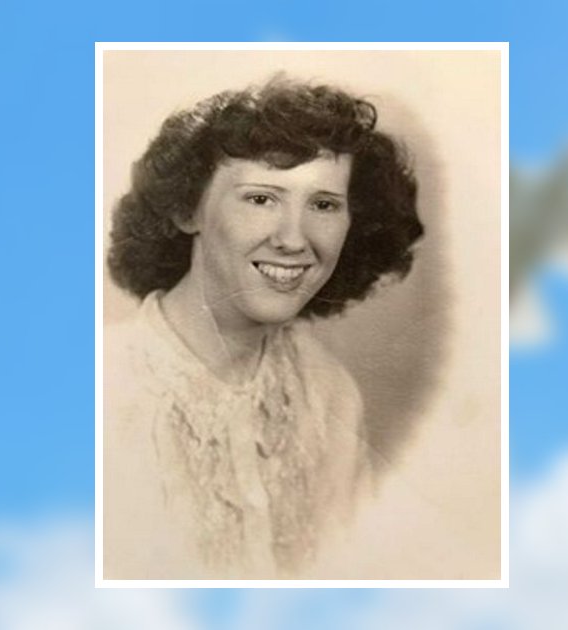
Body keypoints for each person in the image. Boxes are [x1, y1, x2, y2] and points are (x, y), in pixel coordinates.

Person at [102, 77, 424, 578]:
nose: (294, 240)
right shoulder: (101, 392)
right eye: (261, 199)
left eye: (323, 204)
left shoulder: (329, 395)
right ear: (188, 209)